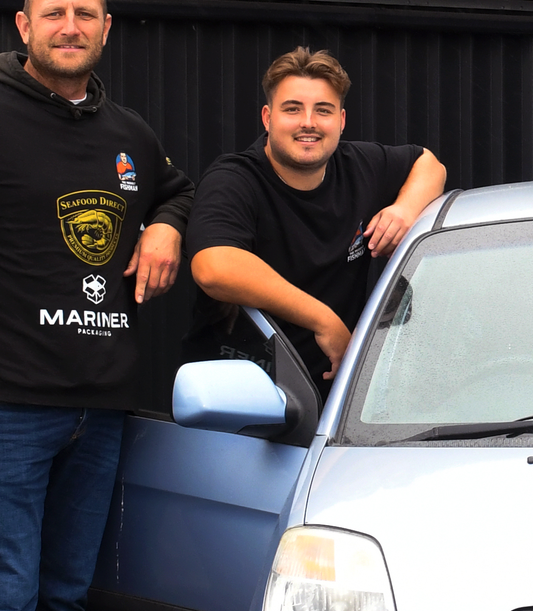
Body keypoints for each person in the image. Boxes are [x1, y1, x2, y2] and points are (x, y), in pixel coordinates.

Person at [0, 0, 194, 611]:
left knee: (63, 601)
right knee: (6, 606)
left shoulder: (129, 134)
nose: (70, 26)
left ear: (106, 29)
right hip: (9, 407)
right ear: (24, 26)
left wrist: (167, 224)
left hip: (101, 412)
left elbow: (175, 188)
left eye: (85, 14)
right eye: (54, 13)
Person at [186, 47, 446, 401]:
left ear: (341, 120)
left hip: (339, 405)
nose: (308, 122)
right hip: (241, 399)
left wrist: (404, 209)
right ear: (267, 118)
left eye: (323, 110)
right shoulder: (234, 179)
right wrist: (323, 320)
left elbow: (429, 164)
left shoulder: (359, 166)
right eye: (292, 109)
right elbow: (214, 267)